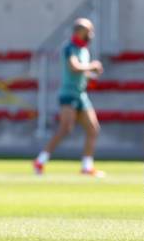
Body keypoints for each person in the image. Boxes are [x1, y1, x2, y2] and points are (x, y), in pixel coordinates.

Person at [33, 18, 105, 177]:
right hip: (69, 94)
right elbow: (74, 67)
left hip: (81, 94)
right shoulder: (69, 47)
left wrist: (91, 75)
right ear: (80, 32)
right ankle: (40, 160)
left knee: (93, 129)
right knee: (65, 128)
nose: (91, 34)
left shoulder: (84, 50)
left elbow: (81, 71)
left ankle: (87, 166)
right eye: (89, 31)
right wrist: (92, 66)